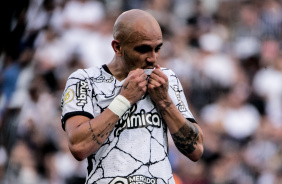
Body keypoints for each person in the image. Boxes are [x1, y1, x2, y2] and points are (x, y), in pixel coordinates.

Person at [61, 9, 204, 184]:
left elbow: (196, 150)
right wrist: (124, 100)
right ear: (117, 47)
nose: (153, 58)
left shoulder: (167, 79)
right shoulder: (84, 80)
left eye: (157, 48)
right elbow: (78, 147)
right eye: (143, 49)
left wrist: (165, 102)